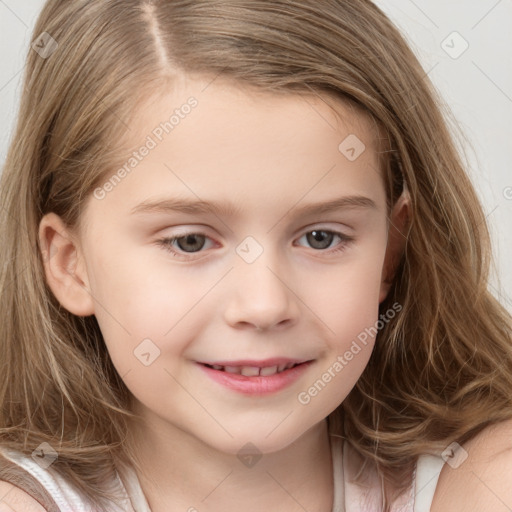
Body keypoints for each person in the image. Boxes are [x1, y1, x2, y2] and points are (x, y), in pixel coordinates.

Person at [0, 1, 511, 511]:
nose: (265, 305)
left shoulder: (482, 480)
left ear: (390, 254)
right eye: (190, 242)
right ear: (71, 264)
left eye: (320, 238)